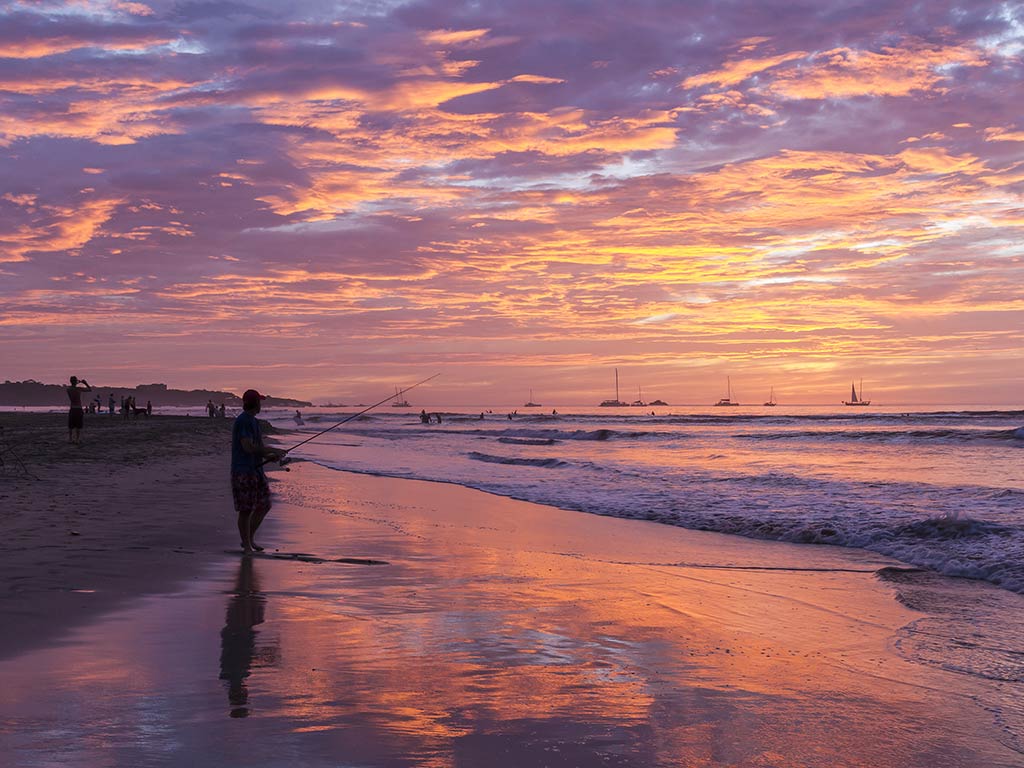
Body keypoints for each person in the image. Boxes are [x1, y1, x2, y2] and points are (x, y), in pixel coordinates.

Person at [231, 389, 286, 554]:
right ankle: (246, 545)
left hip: (256, 470)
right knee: (246, 509)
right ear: (254, 403)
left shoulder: (254, 422)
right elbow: (247, 447)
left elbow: (257, 449)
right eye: (260, 401)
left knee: (264, 505)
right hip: (243, 470)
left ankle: (249, 539)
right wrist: (271, 450)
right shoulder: (243, 421)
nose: (261, 405)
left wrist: (270, 455)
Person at [66, 376, 92, 444]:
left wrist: (77, 382)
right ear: (75, 381)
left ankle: (70, 439)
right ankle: (77, 439)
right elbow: (90, 389)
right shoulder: (78, 389)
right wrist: (85, 383)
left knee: (71, 425)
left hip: (72, 408)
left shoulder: (68, 389)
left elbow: (72, 386)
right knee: (78, 425)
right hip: (78, 408)